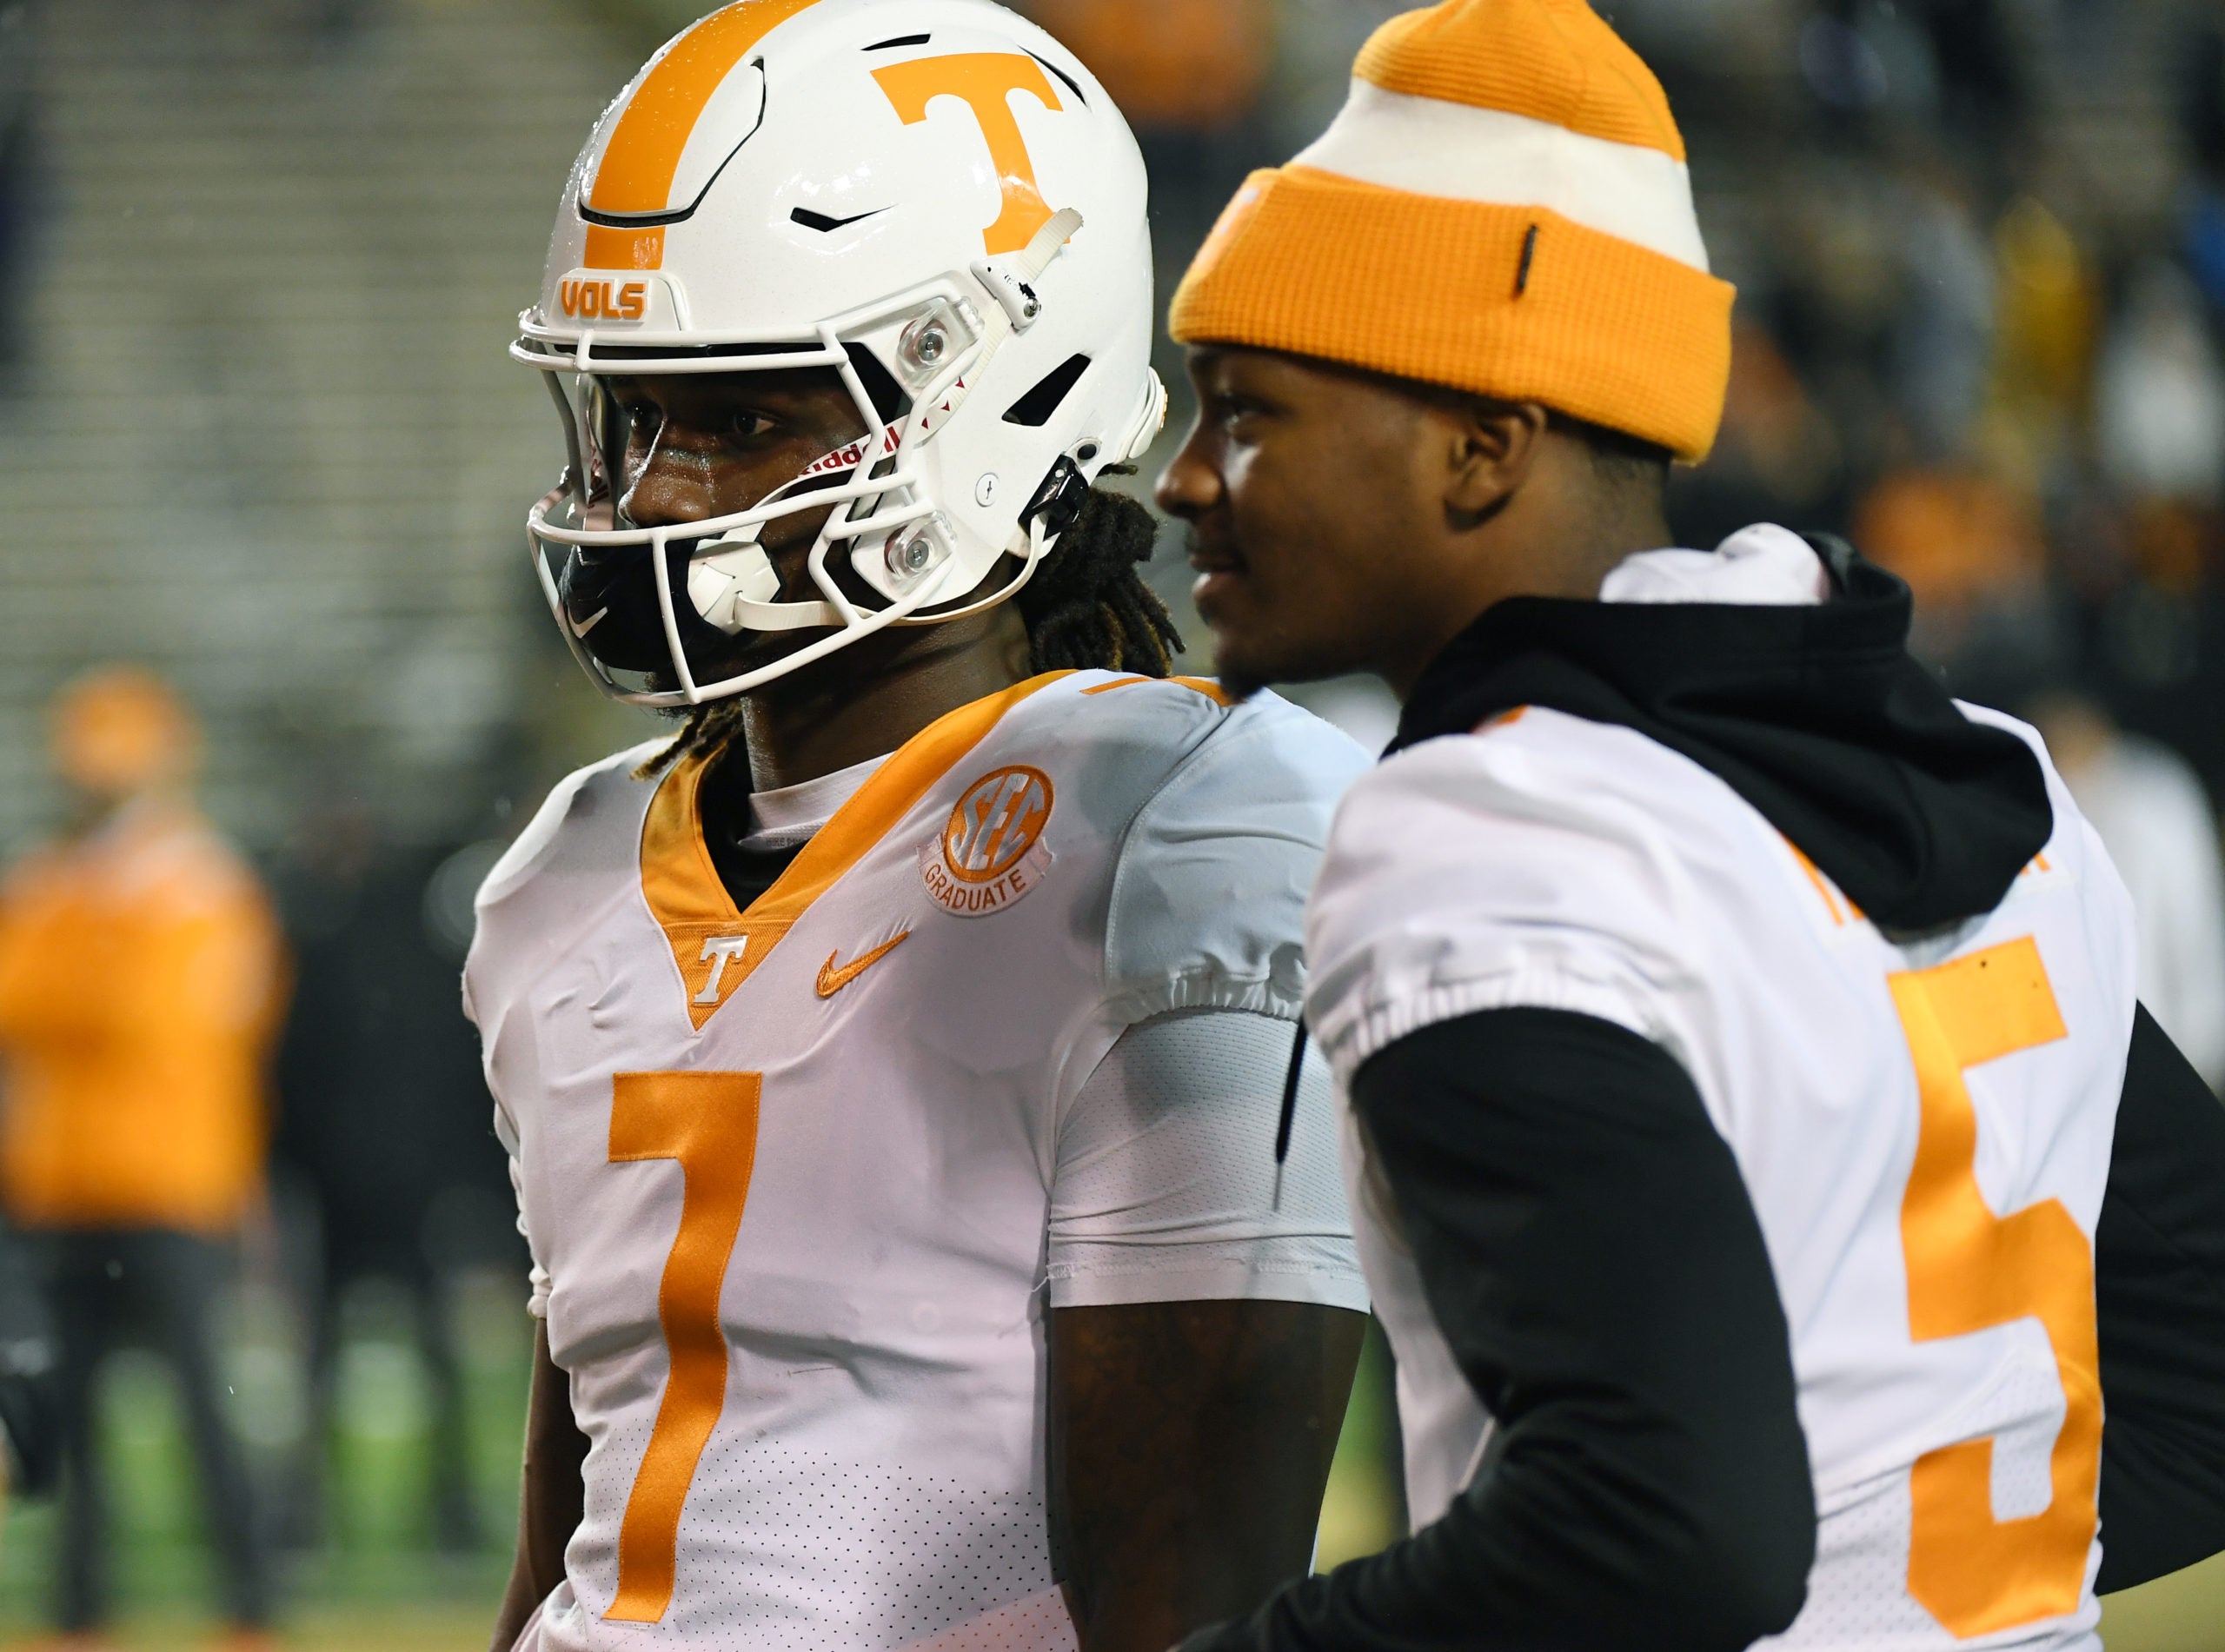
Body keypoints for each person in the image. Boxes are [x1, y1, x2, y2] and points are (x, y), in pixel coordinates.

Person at [1153, 1, 2225, 1647]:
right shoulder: (1982, 774)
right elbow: (2200, 1384)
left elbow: (1664, 1528)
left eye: (1247, 408)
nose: (1185, 475)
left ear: (1480, 444)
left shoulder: (1489, 828)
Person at [475, 4, 1370, 1649]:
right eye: (634, 419)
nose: (658, 495)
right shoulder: (565, 877)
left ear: (997, 396)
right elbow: (586, 1533)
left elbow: (1188, 1606)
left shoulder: (1175, 835)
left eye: (746, 418)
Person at [0, 667, 284, 1644]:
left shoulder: (197, 879)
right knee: (71, 1422)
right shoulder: (68, 881)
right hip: (67, 1189)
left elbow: (151, 1011)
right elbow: (18, 999)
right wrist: (101, 951)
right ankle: (79, 1612)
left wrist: (83, 958)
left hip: (175, 1185)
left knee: (210, 1413)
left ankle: (250, 1608)